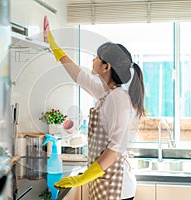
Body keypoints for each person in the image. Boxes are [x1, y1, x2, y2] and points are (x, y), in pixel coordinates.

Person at [46, 25, 145, 200]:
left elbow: (113, 151)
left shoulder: (119, 100)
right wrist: (55, 48)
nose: (93, 60)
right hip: (103, 181)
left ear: (106, 67)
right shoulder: (107, 93)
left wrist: (81, 178)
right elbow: (79, 77)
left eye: (97, 58)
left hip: (117, 188)